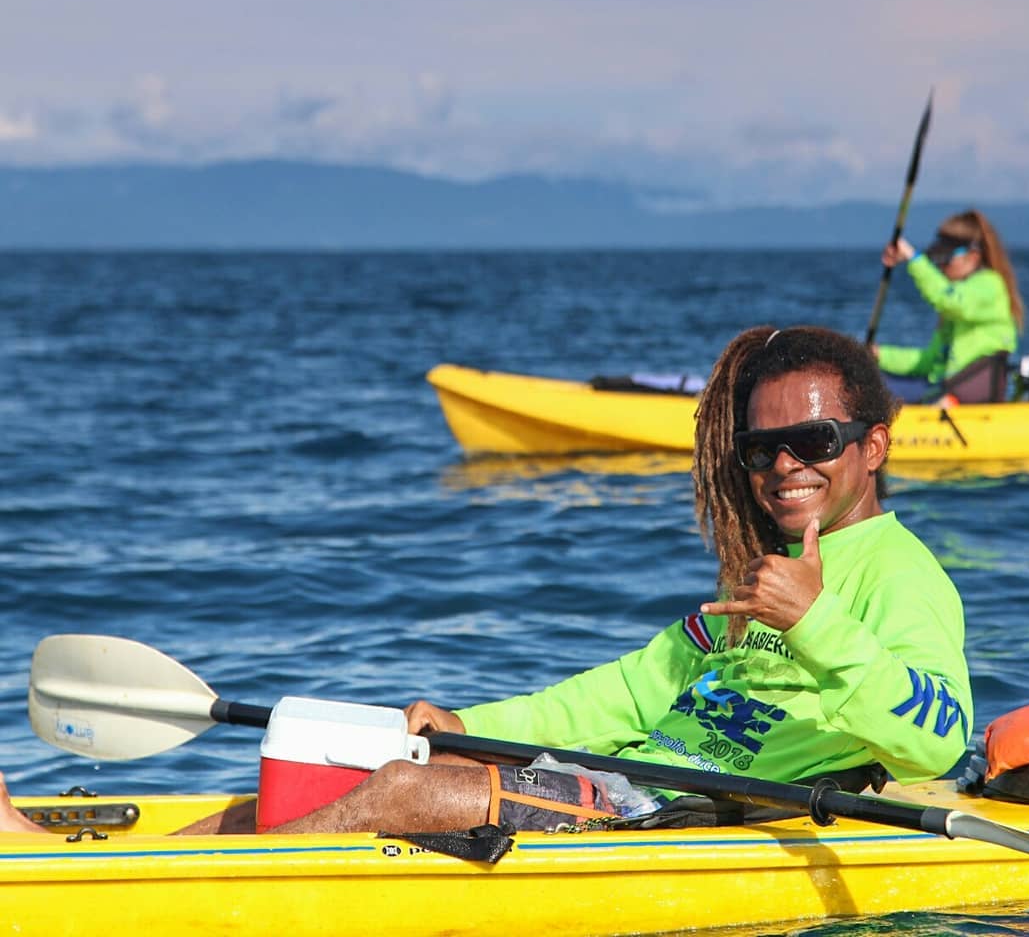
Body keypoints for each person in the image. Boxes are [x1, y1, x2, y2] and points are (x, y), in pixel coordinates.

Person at [2, 327, 973, 837]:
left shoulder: (901, 575)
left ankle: (166, 885)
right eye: (762, 447)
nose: (783, 466)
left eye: (813, 442)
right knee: (347, 760)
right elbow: (626, 692)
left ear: (873, 445)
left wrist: (817, 627)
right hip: (630, 781)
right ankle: (103, 854)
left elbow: (937, 732)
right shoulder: (769, 566)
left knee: (407, 792)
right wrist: (475, 724)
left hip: (711, 816)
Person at [873, 209, 1025, 403]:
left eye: (946, 258)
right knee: (869, 382)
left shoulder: (990, 285)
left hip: (963, 391)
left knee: (872, 392)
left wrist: (912, 257)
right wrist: (879, 355)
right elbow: (929, 362)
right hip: (941, 386)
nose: (941, 267)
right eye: (937, 259)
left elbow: (949, 300)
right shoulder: (955, 308)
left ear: (973, 256)